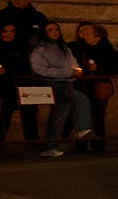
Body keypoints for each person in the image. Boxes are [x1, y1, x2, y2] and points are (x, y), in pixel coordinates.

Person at [28, 22, 94, 158]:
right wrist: (66, 72)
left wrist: (74, 71)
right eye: (50, 30)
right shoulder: (39, 49)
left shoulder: (63, 47)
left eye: (57, 29)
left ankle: (51, 145)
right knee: (80, 99)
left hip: (66, 82)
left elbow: (72, 62)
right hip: (52, 84)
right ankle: (83, 128)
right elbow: (40, 69)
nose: (54, 32)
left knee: (59, 116)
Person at [0, 0, 47, 142]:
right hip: (8, 69)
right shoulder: (1, 16)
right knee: (5, 107)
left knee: (30, 107)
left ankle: (32, 139)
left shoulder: (38, 18)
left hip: (28, 69)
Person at [71, 22, 118, 153]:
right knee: (81, 115)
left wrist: (99, 68)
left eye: (88, 33)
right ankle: (81, 144)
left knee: (98, 115)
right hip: (82, 86)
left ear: (97, 35)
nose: (84, 35)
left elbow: (117, 66)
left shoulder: (106, 48)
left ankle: (98, 144)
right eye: (82, 32)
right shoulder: (78, 48)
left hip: (99, 85)